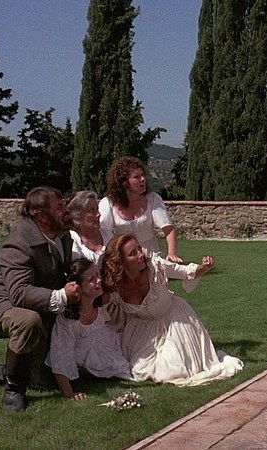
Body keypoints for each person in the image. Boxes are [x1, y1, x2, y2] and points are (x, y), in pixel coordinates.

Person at [0, 186, 80, 411]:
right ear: (42, 217)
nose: (65, 210)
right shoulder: (19, 244)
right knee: (28, 321)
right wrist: (61, 296)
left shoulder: (62, 235)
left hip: (40, 306)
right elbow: (19, 292)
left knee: (44, 382)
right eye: (59, 207)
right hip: (5, 304)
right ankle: (14, 389)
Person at [101, 233, 243, 386]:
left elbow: (184, 271)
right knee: (140, 371)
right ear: (121, 262)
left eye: (139, 249)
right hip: (143, 330)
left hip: (174, 320)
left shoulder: (156, 266)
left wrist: (204, 267)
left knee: (173, 372)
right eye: (133, 253)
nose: (141, 255)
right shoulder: (114, 287)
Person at [46, 258, 133, 400]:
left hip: (105, 348)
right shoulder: (67, 320)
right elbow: (60, 356)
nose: (99, 280)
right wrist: (70, 394)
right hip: (85, 360)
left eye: (97, 275)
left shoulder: (98, 308)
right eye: (92, 279)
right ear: (77, 287)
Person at [99, 156, 183, 263]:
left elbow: (168, 228)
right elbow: (102, 231)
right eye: (136, 177)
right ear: (124, 182)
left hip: (151, 255)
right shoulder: (108, 203)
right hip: (124, 257)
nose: (143, 179)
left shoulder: (153, 199)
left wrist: (172, 253)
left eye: (142, 175)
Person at [67, 190, 111, 266]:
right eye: (91, 211)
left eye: (97, 209)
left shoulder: (106, 232)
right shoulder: (73, 240)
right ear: (78, 216)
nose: (98, 214)